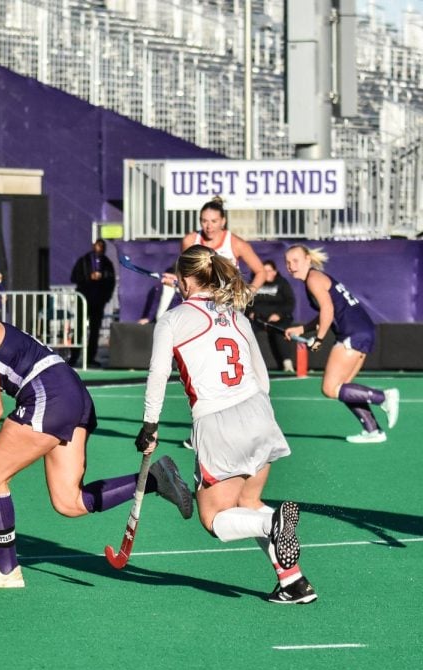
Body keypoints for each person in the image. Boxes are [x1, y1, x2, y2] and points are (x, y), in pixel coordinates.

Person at [0, 272, 193, 589]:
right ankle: (155, 478)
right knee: (69, 502)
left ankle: (6, 569)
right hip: (73, 396)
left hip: (50, 396)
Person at [137, 245, 315, 604]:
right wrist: (259, 413)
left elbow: (158, 374)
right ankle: (293, 583)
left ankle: (273, 524)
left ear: (186, 279)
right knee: (248, 502)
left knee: (213, 518)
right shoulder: (237, 315)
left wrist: (149, 426)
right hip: (259, 413)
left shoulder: (172, 320)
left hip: (218, 422)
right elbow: (261, 376)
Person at [283, 245, 399, 444]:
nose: (291, 266)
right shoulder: (315, 278)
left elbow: (327, 309)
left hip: (353, 333)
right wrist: (302, 330)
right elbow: (327, 313)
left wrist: (319, 339)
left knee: (330, 388)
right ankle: (373, 431)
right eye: (288, 262)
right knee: (345, 389)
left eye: (296, 260)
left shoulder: (313, 279)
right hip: (363, 330)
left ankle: (384, 397)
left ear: (308, 260)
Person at [180, 197, 266, 291]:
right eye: (204, 221)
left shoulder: (236, 243)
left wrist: (247, 294)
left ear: (223, 221)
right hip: (199, 298)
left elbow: (261, 272)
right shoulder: (190, 241)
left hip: (227, 300)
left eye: (214, 221)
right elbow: (184, 271)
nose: (209, 226)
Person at [70, 238, 116, 366]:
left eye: (102, 247)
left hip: (98, 301)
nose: (99, 249)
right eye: (98, 246)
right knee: (79, 328)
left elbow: (111, 281)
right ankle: (74, 357)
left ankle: (90, 358)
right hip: (84, 299)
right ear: (93, 246)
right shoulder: (84, 261)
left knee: (95, 330)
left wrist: (106, 297)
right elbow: (74, 277)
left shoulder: (107, 263)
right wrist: (89, 277)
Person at [248, 259, 297, 372]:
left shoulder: (282, 283)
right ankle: (250, 365)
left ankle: (287, 363)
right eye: (264, 271)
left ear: (275, 272)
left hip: (278, 318)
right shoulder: (255, 283)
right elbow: (247, 301)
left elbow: (290, 302)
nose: (267, 274)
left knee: (280, 331)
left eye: (269, 271)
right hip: (258, 319)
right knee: (247, 331)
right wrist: (250, 312)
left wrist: (279, 314)